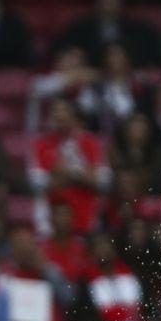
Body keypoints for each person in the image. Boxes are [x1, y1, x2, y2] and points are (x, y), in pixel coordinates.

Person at [28, 97, 112, 235]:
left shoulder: (92, 143)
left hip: (87, 217)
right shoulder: (40, 145)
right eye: (55, 111)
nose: (59, 114)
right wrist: (83, 177)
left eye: (64, 110)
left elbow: (103, 182)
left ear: (74, 115)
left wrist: (66, 174)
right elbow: (37, 184)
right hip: (51, 221)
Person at [51, 0, 161, 68]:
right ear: (96, 0)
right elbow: (59, 54)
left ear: (121, 1)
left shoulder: (141, 29)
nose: (108, 1)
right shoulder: (79, 28)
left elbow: (158, 61)